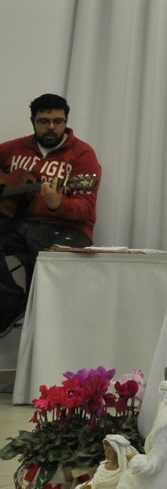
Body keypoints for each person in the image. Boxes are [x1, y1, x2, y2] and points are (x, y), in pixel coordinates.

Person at [0, 94, 99, 328]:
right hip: (20, 224)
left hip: (66, 228)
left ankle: (50, 328)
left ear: (66, 121)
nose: (52, 127)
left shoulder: (83, 154)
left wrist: (58, 204)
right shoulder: (17, 148)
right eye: (44, 121)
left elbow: (86, 209)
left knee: (52, 274)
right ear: (33, 121)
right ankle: (11, 303)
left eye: (58, 121)